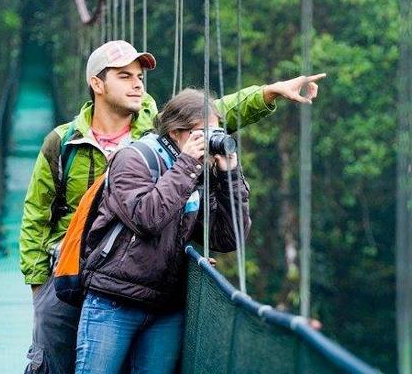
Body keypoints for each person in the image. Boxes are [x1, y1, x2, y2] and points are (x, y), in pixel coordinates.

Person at [20, 39, 325, 373]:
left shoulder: (157, 130)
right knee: (52, 363)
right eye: (124, 76)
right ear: (97, 84)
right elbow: (36, 214)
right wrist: (39, 285)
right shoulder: (65, 142)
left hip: (144, 278)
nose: (137, 83)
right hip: (71, 265)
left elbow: (213, 113)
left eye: (139, 76)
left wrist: (269, 93)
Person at [75, 89, 249, 374]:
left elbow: (228, 238)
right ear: (176, 131)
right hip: (114, 301)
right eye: (202, 133)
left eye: (215, 133)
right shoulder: (134, 159)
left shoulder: (197, 172)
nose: (210, 141)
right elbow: (147, 218)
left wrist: (229, 175)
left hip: (166, 308)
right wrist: (187, 165)